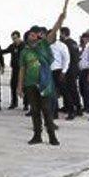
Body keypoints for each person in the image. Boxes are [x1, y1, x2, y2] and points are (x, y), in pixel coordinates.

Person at [17, 11, 66, 146]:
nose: (34, 36)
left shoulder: (43, 45)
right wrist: (19, 86)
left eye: (36, 34)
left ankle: (52, 136)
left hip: (44, 84)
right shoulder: (24, 52)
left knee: (46, 110)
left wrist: (60, 20)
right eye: (32, 34)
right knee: (35, 110)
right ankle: (37, 135)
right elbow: (22, 69)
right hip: (30, 84)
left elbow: (53, 32)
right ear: (27, 37)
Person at [60, 27, 83, 120]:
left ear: (63, 33)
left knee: (68, 90)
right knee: (73, 89)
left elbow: (65, 58)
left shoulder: (65, 44)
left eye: (60, 33)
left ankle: (72, 109)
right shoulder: (74, 43)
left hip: (68, 69)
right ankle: (77, 108)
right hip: (74, 68)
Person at [2, 31, 24, 109]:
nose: (14, 40)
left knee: (24, 86)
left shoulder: (24, 45)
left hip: (23, 69)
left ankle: (26, 104)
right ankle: (14, 103)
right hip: (14, 69)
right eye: (13, 39)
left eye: (15, 38)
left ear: (19, 37)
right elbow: (4, 51)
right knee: (13, 85)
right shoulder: (12, 46)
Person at [50, 35, 70, 120]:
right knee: (52, 94)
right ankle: (54, 113)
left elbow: (66, 59)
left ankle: (71, 111)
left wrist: (64, 71)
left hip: (58, 71)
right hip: (49, 72)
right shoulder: (47, 45)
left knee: (65, 92)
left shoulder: (61, 45)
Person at [78, 31, 89, 114]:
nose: (85, 39)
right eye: (84, 37)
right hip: (80, 70)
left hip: (87, 69)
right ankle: (85, 105)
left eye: (87, 38)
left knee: (87, 89)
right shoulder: (80, 47)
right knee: (82, 89)